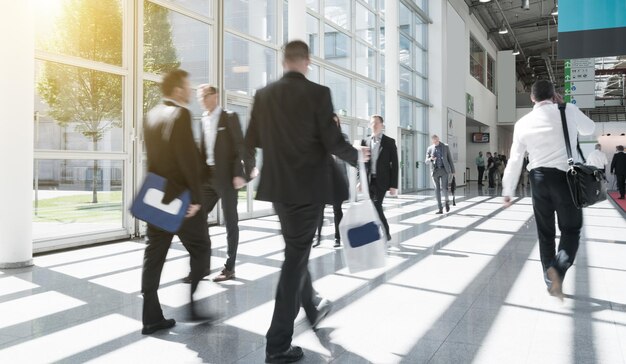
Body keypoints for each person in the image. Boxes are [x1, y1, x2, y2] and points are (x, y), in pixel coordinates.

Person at [244, 40, 369, 364]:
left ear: (284, 61)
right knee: (294, 261)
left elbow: (252, 140)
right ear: (307, 62)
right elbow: (331, 141)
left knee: (296, 251)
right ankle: (277, 344)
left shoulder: (264, 95)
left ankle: (311, 306)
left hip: (278, 190)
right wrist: (358, 157)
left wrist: (249, 167)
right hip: (308, 190)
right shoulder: (318, 94)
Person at [502, 80, 594, 299]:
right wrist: (564, 105)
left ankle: (548, 278)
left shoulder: (522, 123)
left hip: (538, 179)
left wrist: (508, 190)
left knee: (545, 232)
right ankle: (558, 270)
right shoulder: (567, 110)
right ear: (555, 95)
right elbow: (590, 128)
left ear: (532, 98)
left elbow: (515, 160)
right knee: (571, 229)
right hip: (565, 179)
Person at [141, 69, 212, 335]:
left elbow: (154, 160)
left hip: (155, 197)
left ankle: (151, 317)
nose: (191, 91)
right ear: (178, 90)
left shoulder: (150, 115)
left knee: (154, 256)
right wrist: (195, 198)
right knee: (201, 248)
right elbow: (187, 161)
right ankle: (193, 306)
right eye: (188, 86)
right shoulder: (180, 114)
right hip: (180, 201)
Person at [181, 84, 249, 284]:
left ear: (215, 96)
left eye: (204, 96)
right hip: (207, 178)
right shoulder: (202, 119)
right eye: (199, 97)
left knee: (230, 222)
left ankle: (229, 268)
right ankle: (201, 266)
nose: (201, 100)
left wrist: (238, 174)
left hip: (227, 178)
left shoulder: (229, 117)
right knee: (195, 219)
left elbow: (240, 146)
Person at [314, 115, 349, 248]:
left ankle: (338, 238)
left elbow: (346, 155)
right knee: (319, 210)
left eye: (336, 122)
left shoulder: (343, 137)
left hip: (337, 179)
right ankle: (318, 238)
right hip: (322, 179)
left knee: (337, 210)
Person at [361, 115, 399, 240]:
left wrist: (394, 185)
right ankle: (376, 232)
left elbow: (395, 165)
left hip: (382, 180)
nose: (374, 125)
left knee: (376, 205)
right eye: (372, 123)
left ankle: (385, 231)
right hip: (369, 180)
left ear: (382, 125)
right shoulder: (365, 141)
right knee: (371, 206)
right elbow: (360, 163)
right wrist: (359, 180)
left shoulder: (389, 142)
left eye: (377, 123)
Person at [426, 135, 455, 214]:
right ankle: (440, 208)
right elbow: (426, 161)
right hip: (435, 171)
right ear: (432, 141)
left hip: (444, 170)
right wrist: (431, 159)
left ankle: (447, 202)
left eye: (437, 141)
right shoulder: (430, 148)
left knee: (444, 189)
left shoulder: (445, 147)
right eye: (434, 141)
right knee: (437, 190)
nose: (436, 142)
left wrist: (453, 170)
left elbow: (450, 159)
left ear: (439, 139)